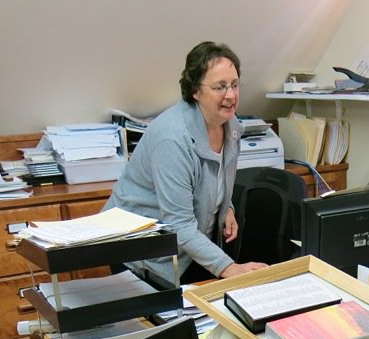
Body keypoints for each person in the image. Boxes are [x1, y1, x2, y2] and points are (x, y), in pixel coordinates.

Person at [103, 41, 267, 283]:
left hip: (187, 248)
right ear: (195, 91)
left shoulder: (231, 127)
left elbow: (215, 180)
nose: (231, 95)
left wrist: (227, 207)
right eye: (220, 87)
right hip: (141, 254)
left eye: (234, 84)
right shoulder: (173, 139)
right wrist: (231, 268)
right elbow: (179, 224)